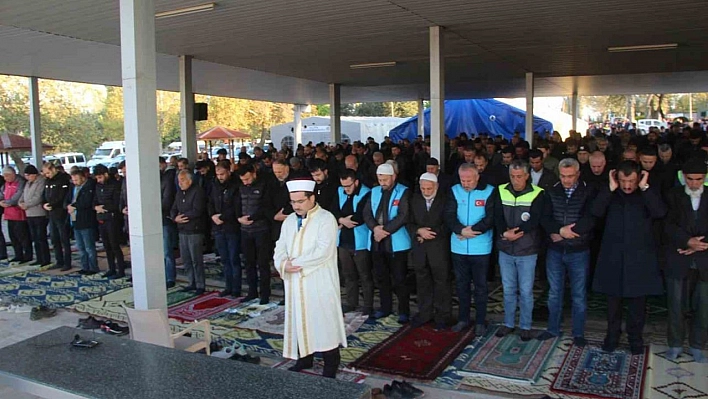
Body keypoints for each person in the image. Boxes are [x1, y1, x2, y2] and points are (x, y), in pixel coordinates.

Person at [273, 178, 346, 379]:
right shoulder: (288, 221)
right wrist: (282, 263)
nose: (296, 206)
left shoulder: (326, 219)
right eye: (293, 202)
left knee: (323, 321)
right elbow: (280, 246)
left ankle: (331, 364)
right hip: (295, 280)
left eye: (300, 201)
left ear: (312, 198)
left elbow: (323, 251)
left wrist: (295, 264)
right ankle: (305, 358)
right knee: (299, 319)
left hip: (318, 280)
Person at [591, 160, 666, 354]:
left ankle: (635, 340)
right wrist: (609, 188)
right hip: (613, 257)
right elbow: (596, 212)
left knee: (638, 306)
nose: (627, 185)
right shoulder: (610, 192)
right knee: (613, 306)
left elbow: (660, 212)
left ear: (639, 177)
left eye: (631, 181)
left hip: (640, 258)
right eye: (623, 181)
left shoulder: (647, 192)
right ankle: (612, 337)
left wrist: (645, 188)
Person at [538, 158, 594, 346]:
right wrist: (559, 231)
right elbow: (545, 217)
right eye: (563, 176)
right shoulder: (551, 190)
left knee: (578, 294)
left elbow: (590, 219)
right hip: (555, 250)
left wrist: (566, 233)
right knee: (554, 292)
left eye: (570, 176)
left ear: (578, 174)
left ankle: (578, 333)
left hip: (579, 250)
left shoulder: (588, 191)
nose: (566, 180)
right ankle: (553, 328)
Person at [493, 160, 545, 341]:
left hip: (527, 250)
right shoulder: (500, 190)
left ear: (527, 176)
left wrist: (516, 233)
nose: (515, 180)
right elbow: (497, 215)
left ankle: (525, 326)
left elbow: (536, 219)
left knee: (525, 291)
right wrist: (504, 233)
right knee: (508, 289)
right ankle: (508, 323)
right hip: (506, 249)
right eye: (512, 177)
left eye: (519, 177)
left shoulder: (537, 193)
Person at [663, 159, 708, 363]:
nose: (694, 184)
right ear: (683, 177)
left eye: (699, 179)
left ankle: (698, 345)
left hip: (704, 260)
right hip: (679, 257)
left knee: (704, 306)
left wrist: (699, 244)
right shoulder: (673, 196)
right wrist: (687, 241)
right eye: (690, 179)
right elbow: (666, 225)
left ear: (705, 178)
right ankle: (675, 344)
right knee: (676, 305)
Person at [445, 163, 496, 334]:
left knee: (480, 286)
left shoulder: (489, 191)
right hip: (458, 247)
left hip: (480, 247)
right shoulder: (454, 190)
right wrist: (460, 230)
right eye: (462, 180)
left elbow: (490, 218)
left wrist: (470, 231)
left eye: (469, 180)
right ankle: (463, 318)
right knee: (461, 285)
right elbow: (449, 214)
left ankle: (480, 321)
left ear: (477, 177)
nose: (465, 184)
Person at [363, 163, 412, 323]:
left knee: (399, 278)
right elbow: (367, 213)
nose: (382, 182)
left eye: (385, 179)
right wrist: (375, 229)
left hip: (396, 243)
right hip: (377, 241)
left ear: (393, 177)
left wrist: (385, 231)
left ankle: (404, 311)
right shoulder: (375, 191)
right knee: (381, 278)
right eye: (380, 179)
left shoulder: (403, 191)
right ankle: (385, 308)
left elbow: (403, 215)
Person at [409, 172, 451, 330]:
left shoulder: (445, 200)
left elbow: (448, 223)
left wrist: (430, 234)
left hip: (438, 247)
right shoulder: (414, 199)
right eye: (423, 188)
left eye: (429, 188)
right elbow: (409, 222)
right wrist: (419, 231)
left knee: (441, 282)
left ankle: (443, 315)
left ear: (437, 186)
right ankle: (425, 313)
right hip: (420, 247)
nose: (426, 192)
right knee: (422, 281)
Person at [333, 169, 373, 315]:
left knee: (364, 275)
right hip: (343, 240)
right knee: (348, 274)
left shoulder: (366, 193)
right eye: (344, 186)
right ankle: (351, 302)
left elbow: (360, 217)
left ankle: (368, 305)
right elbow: (334, 210)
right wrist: (342, 219)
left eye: (349, 186)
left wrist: (342, 220)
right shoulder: (339, 191)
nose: (346, 189)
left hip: (360, 241)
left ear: (356, 182)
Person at [237, 164, 276, 304]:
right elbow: (237, 205)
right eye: (243, 180)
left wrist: (253, 218)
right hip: (245, 231)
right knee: (248, 263)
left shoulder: (264, 185)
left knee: (263, 263)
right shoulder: (240, 187)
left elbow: (266, 207)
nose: (246, 182)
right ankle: (252, 291)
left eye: (247, 178)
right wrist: (239, 218)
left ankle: (265, 294)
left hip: (261, 230)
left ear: (253, 173)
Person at [171, 170, 207, 295]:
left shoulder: (198, 191)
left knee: (196, 259)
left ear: (190, 181)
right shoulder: (179, 193)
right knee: (186, 258)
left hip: (194, 229)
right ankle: (191, 282)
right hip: (182, 230)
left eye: (182, 180)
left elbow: (198, 210)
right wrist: (175, 218)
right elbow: (174, 208)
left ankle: (200, 284)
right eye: (179, 181)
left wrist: (183, 217)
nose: (180, 183)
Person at [209, 161, 241, 297]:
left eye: (222, 174)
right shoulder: (214, 185)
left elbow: (236, 207)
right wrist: (213, 216)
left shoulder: (236, 185)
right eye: (218, 174)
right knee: (224, 259)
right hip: (218, 226)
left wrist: (222, 217)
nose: (220, 177)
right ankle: (228, 286)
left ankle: (236, 288)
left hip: (231, 226)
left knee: (234, 258)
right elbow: (209, 202)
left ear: (229, 171)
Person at [94, 164, 127, 278]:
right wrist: (96, 207)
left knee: (114, 245)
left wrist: (104, 208)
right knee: (106, 245)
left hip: (112, 218)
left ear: (106, 174)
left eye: (100, 177)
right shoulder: (97, 186)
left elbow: (116, 203)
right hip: (101, 218)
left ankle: (121, 270)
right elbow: (94, 200)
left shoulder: (115, 185)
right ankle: (111, 268)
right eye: (97, 178)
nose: (99, 180)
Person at [67, 168, 98, 274]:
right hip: (75, 219)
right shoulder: (73, 188)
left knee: (89, 246)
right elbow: (68, 200)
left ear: (83, 178)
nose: (75, 182)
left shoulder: (89, 187)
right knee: (80, 246)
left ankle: (93, 267)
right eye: (73, 180)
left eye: (77, 180)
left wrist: (74, 206)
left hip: (86, 220)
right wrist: (69, 206)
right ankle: (85, 266)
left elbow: (86, 202)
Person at [42, 162, 73, 270]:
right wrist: (44, 204)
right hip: (51, 213)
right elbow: (44, 195)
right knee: (54, 239)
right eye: (45, 173)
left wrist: (52, 204)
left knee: (64, 238)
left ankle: (67, 262)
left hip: (61, 213)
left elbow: (63, 196)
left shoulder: (63, 179)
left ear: (54, 169)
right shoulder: (47, 181)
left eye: (48, 172)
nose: (47, 175)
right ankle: (59, 261)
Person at [19, 165, 50, 267]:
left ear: (34, 175)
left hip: (39, 213)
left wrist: (27, 204)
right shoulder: (28, 183)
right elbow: (22, 195)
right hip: (29, 214)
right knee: (35, 237)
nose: (27, 177)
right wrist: (21, 203)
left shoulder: (41, 182)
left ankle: (45, 258)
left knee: (41, 237)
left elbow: (38, 197)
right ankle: (39, 258)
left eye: (28, 175)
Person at [0, 166, 32, 263]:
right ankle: (18, 255)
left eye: (6, 176)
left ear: (12, 174)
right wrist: (1, 201)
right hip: (9, 214)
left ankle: (27, 255)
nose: (5, 179)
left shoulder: (20, 182)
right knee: (13, 236)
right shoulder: (6, 183)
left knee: (22, 236)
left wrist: (8, 202)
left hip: (19, 214)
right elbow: (1, 193)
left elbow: (18, 195)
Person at [159, 157, 178, 288]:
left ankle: (170, 277)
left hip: (164, 218)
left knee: (167, 251)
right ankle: (159, 275)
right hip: (152, 220)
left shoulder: (167, 181)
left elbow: (166, 201)